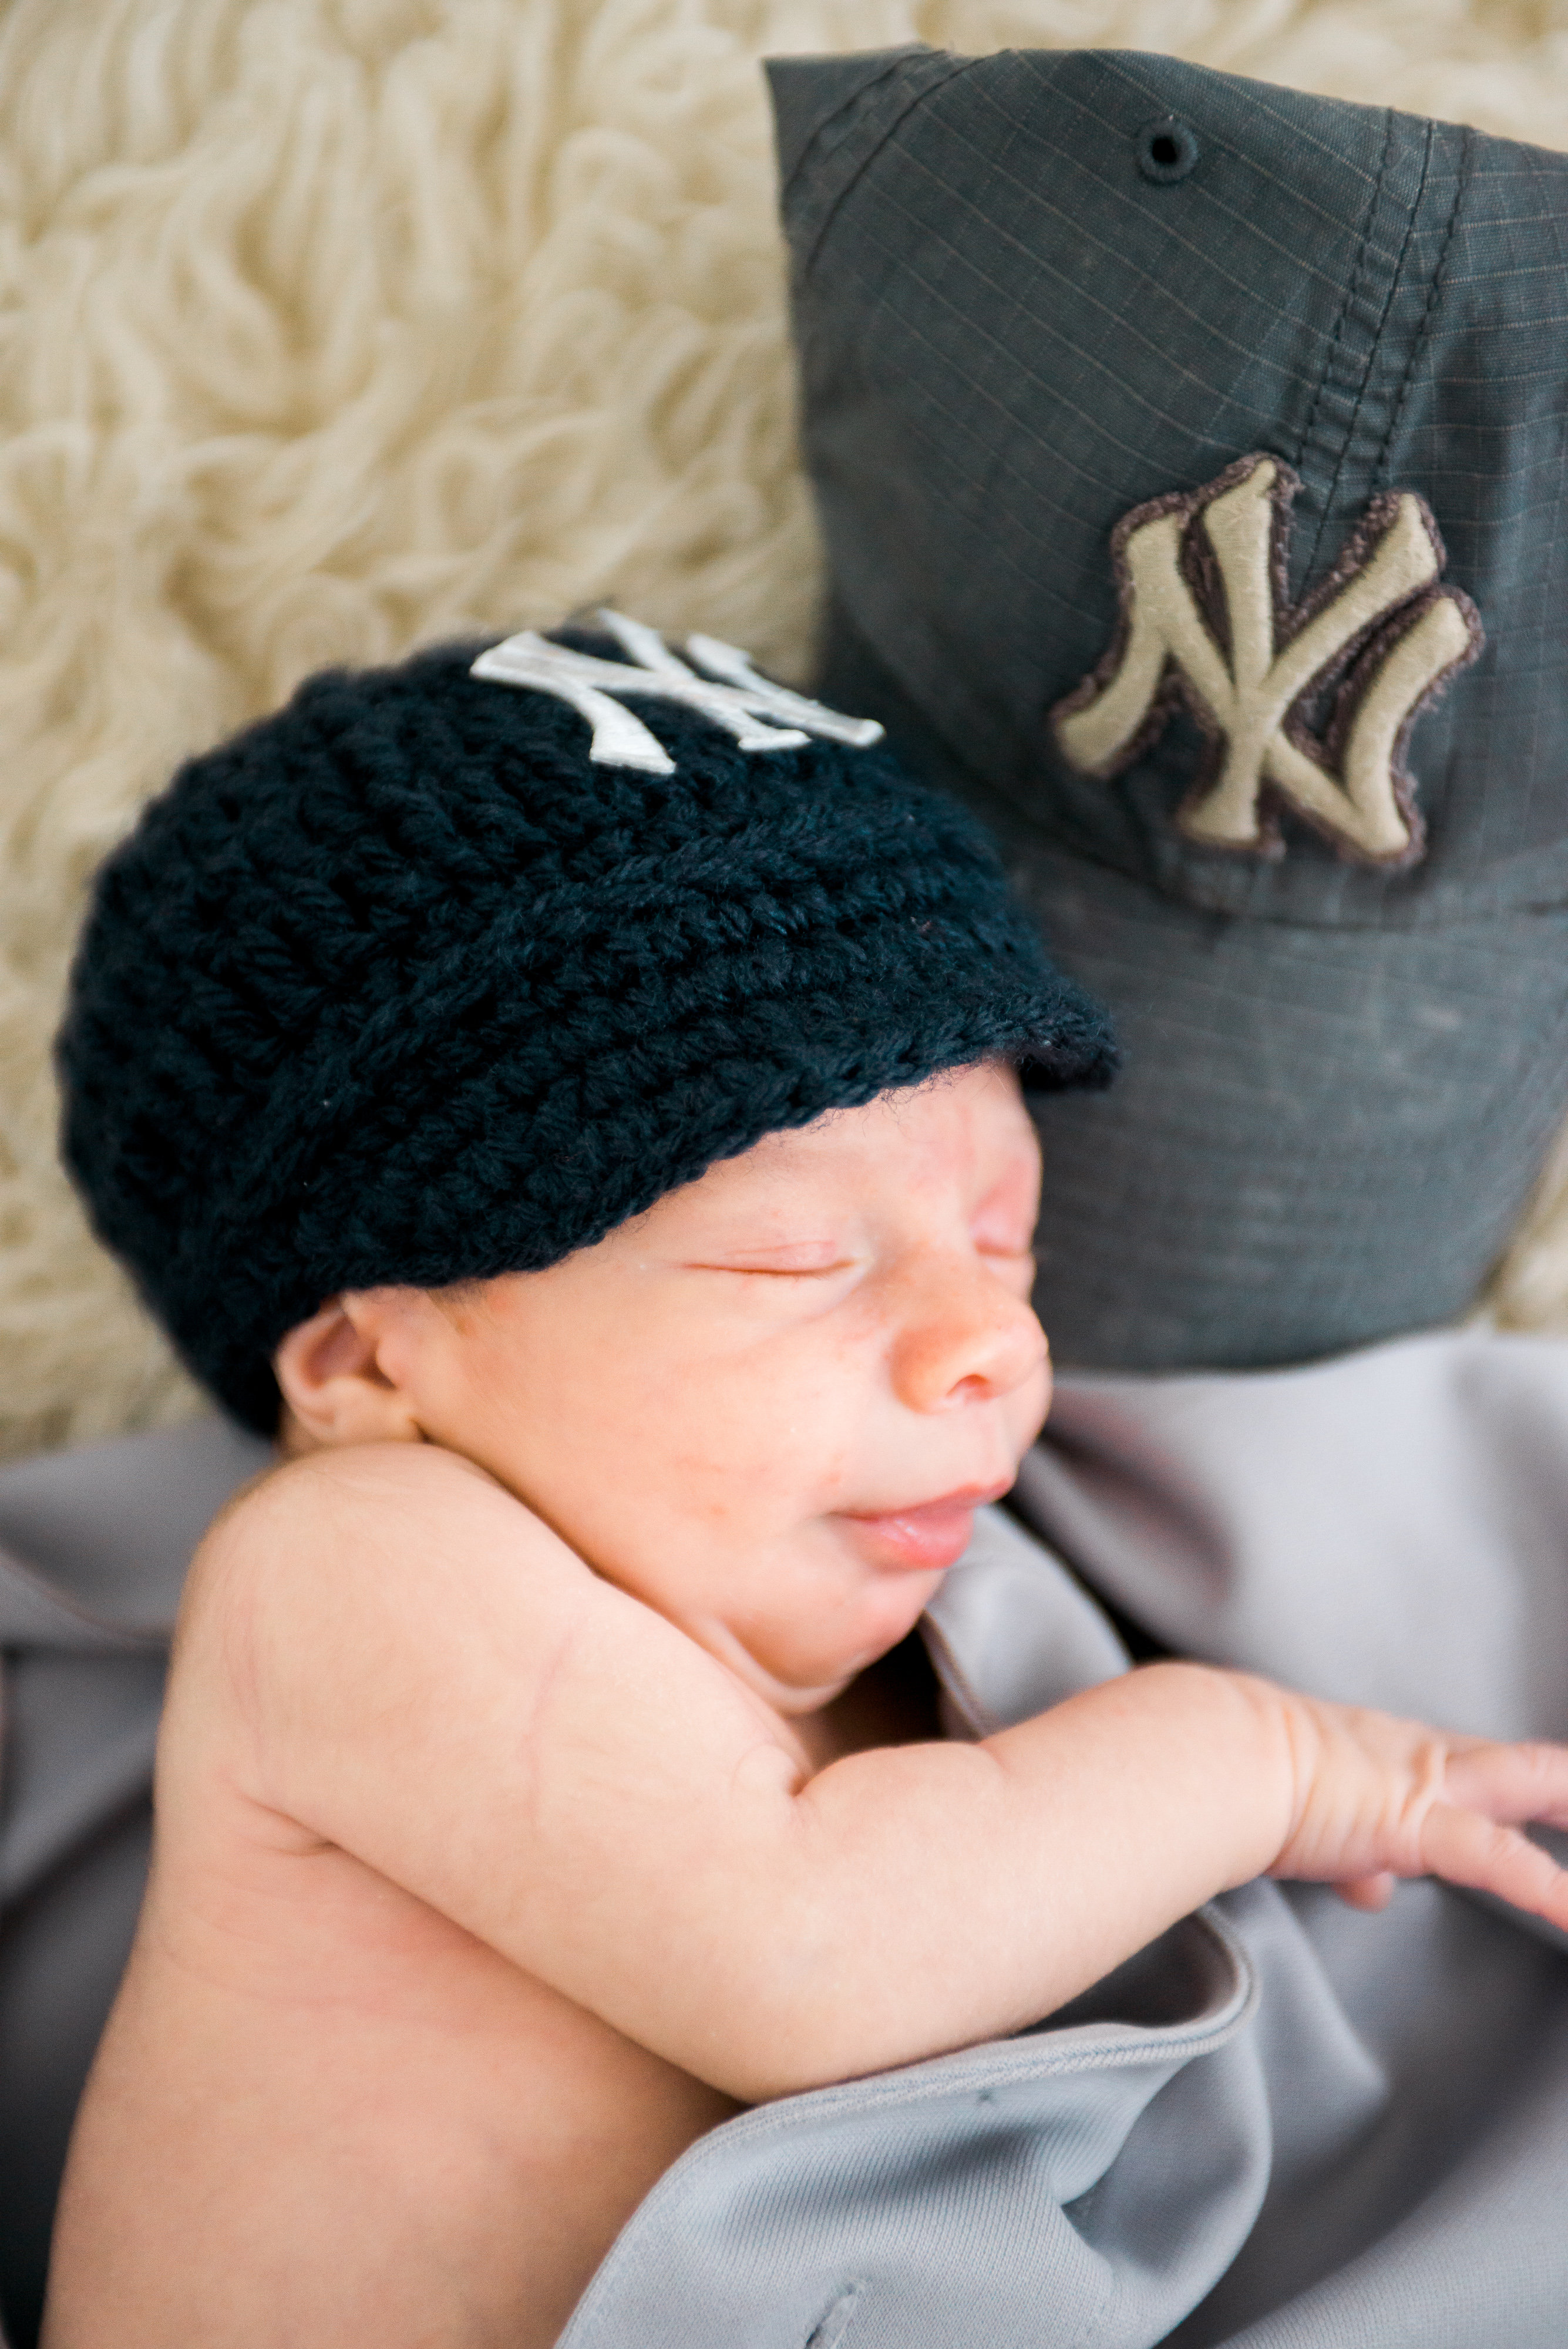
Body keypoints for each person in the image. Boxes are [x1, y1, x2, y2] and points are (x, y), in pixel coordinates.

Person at [40, 625, 1568, 2348]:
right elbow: (811, 1953)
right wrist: (1270, 1760)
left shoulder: (922, 1623)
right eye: (793, 1260)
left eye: (1005, 1238)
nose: (989, 1342)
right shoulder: (348, 1567)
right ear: (368, 1365)